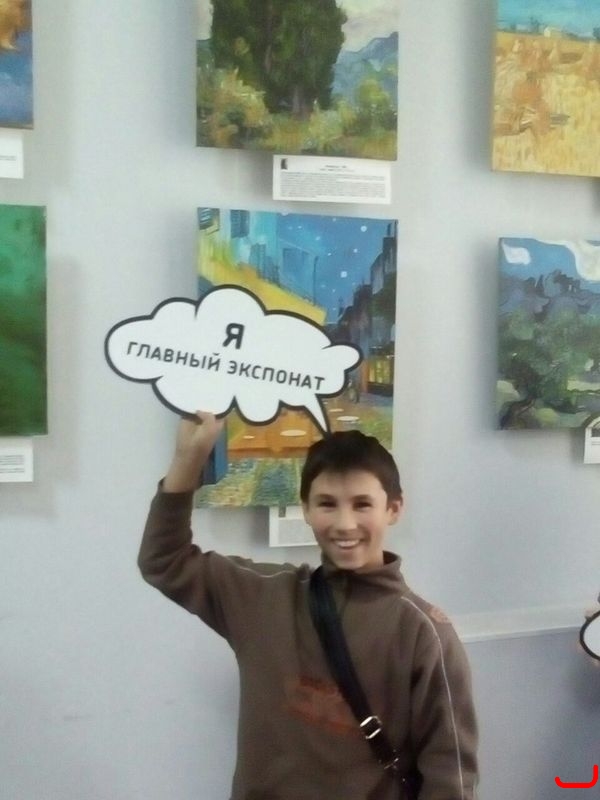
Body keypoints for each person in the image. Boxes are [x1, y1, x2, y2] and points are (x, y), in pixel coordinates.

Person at [138, 411, 479, 799]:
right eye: (327, 504)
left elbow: (450, 777)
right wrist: (188, 460)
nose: (345, 523)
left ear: (394, 509)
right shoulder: (263, 596)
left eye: (362, 504)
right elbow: (164, 561)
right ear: (306, 509)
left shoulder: (424, 633)